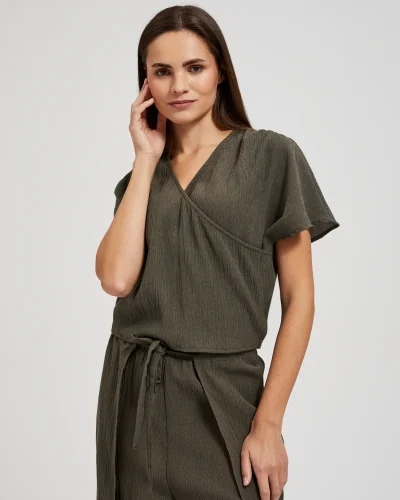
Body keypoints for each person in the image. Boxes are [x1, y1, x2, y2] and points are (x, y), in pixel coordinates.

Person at [94, 5, 340, 500]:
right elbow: (116, 280)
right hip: (135, 396)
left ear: (221, 71)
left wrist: (268, 424)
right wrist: (145, 158)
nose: (178, 86)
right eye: (162, 72)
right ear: (145, 83)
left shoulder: (271, 157)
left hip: (223, 395)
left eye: (194, 67)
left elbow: (300, 301)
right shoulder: (140, 179)